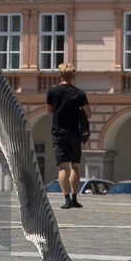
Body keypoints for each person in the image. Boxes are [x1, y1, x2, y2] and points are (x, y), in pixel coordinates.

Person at [46, 62, 90, 209]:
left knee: (62, 167)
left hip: (58, 133)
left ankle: (66, 200)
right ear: (73, 76)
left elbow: (49, 111)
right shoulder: (79, 93)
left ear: (60, 75)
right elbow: (88, 114)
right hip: (74, 134)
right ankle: (74, 199)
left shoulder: (52, 91)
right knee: (75, 166)